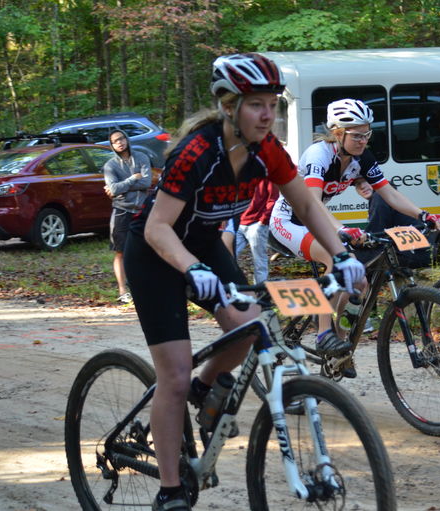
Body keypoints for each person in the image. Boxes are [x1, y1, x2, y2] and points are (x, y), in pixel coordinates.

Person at [123, 53, 364, 511]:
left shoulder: (267, 149)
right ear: (229, 106)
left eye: (272, 103)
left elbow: (309, 208)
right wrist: (191, 270)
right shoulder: (198, 151)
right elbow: (157, 228)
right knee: (173, 374)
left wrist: (343, 252)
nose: (268, 113)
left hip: (205, 243)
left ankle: (205, 388)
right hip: (155, 252)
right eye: (257, 104)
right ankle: (171, 490)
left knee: (249, 323)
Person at [269, 98, 440, 372]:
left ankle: (336, 331)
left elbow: (389, 194)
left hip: (316, 220)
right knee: (333, 256)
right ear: (337, 133)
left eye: (367, 133)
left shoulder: (362, 158)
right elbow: (312, 203)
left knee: (359, 279)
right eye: (357, 135)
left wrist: (423, 215)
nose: (364, 140)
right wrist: (340, 229)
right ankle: (324, 334)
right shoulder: (319, 154)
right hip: (289, 221)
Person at [103, 129, 152, 304]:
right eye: (115, 141)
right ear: (112, 146)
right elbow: (113, 189)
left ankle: (144, 286)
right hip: (121, 211)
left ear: (127, 139)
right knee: (120, 252)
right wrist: (132, 179)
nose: (120, 142)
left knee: (144, 250)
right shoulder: (110, 165)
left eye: (122, 138)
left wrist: (119, 187)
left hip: (141, 210)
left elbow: (146, 182)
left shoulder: (142, 157)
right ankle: (123, 290)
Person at [220, 178, 278, 284]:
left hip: (257, 225)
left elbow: (273, 199)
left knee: (259, 261)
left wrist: (263, 221)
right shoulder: (241, 174)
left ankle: (261, 292)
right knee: (226, 256)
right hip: (239, 222)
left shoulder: (266, 176)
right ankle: (229, 286)